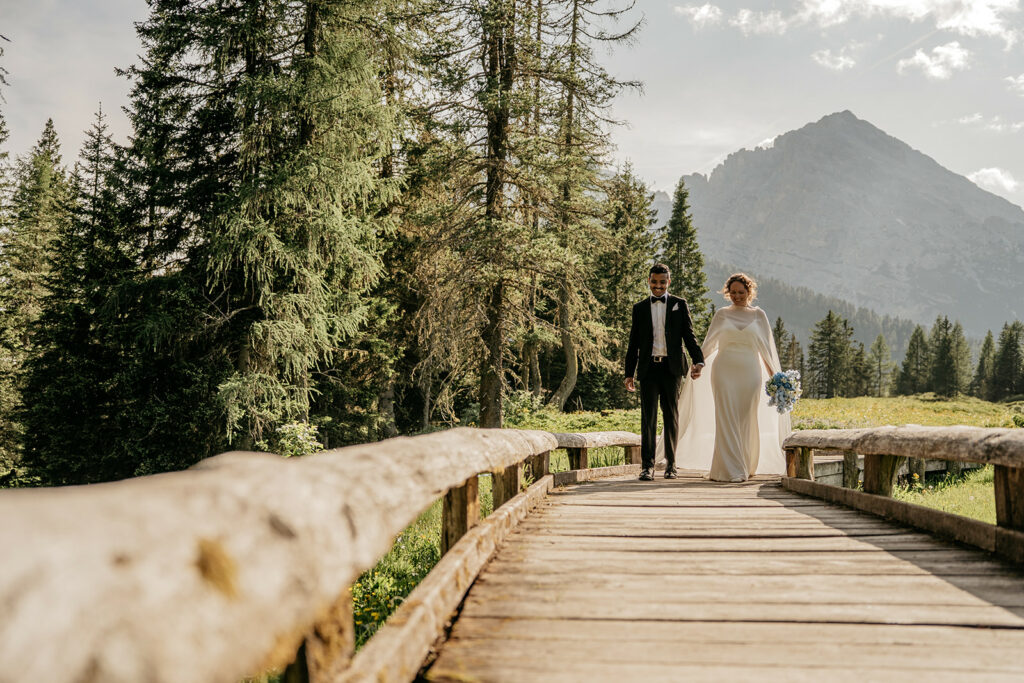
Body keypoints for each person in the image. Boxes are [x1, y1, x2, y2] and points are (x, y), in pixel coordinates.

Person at [660, 273, 790, 481]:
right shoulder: (721, 314)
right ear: (727, 293)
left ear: (749, 292)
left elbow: (765, 350)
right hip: (724, 371)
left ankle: (746, 463)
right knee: (726, 417)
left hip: (750, 372)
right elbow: (709, 343)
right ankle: (731, 468)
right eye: (733, 293)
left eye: (741, 292)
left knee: (746, 417)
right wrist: (698, 365)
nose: (737, 296)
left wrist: (776, 378)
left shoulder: (759, 315)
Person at [624, 264, 705, 481]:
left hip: (672, 368)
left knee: (671, 416)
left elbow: (689, 335)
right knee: (647, 417)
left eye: (662, 282)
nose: (658, 286)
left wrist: (698, 360)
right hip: (648, 368)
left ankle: (671, 465)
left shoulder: (680, 304)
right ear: (649, 281)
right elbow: (633, 344)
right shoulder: (639, 308)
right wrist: (628, 372)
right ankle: (647, 466)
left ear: (668, 282)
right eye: (654, 282)